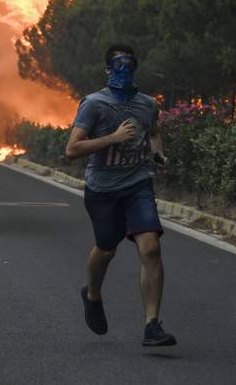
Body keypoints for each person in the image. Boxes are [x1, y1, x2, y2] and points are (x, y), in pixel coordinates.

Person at [65, 44, 176, 347]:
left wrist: (158, 156)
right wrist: (113, 138)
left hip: (138, 184)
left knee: (151, 248)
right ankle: (92, 294)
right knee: (106, 250)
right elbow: (72, 149)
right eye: (118, 65)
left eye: (130, 64)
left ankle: (152, 325)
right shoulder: (93, 104)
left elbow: (153, 133)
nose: (124, 70)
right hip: (102, 189)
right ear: (107, 69)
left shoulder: (148, 104)